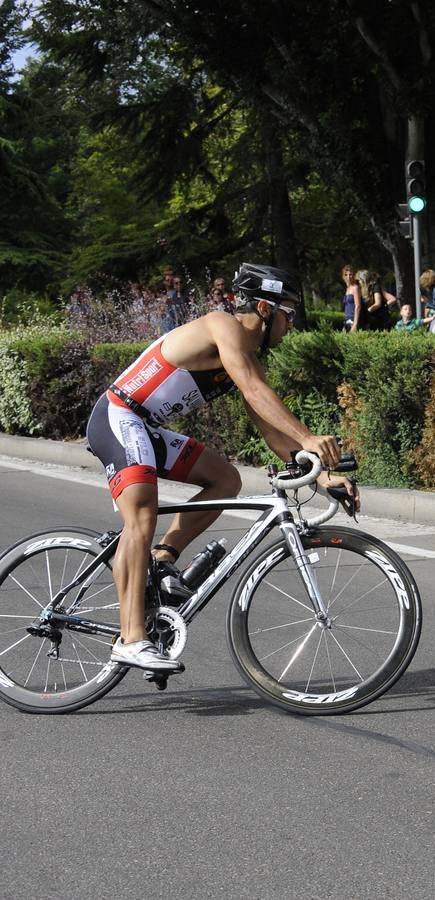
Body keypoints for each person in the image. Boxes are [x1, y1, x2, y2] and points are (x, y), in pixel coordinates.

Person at [85, 263, 356, 672]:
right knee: (141, 512)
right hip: (119, 415)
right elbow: (254, 389)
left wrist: (323, 477)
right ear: (265, 308)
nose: (292, 323)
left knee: (225, 479)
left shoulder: (246, 354)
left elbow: (271, 431)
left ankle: (160, 560)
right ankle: (132, 638)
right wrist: (309, 437)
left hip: (146, 426)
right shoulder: (222, 326)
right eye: (289, 312)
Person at [160, 267, 188, 334]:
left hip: (181, 322)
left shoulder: (185, 293)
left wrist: (171, 303)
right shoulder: (169, 294)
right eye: (176, 283)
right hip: (171, 322)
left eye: (180, 282)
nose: (179, 284)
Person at [339, 264, 360, 331]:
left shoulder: (355, 288)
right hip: (346, 320)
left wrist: (355, 324)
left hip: (353, 320)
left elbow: (358, 306)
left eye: (350, 274)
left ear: (353, 276)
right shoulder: (347, 289)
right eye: (346, 275)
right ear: (343, 277)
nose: (348, 277)